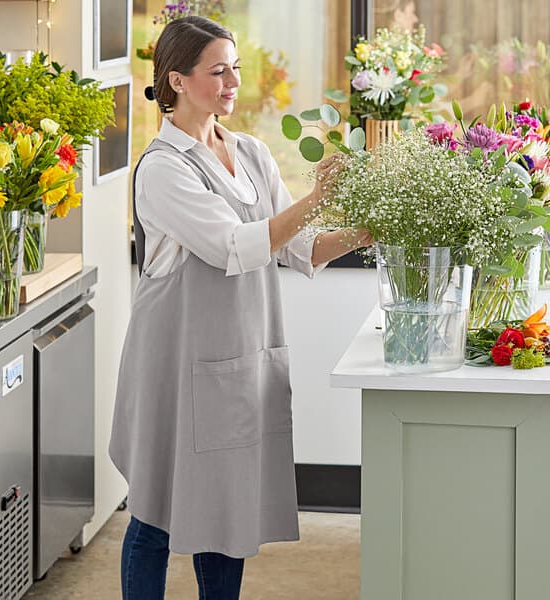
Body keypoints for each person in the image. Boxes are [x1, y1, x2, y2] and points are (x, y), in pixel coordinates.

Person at [109, 15, 373, 600]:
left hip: (240, 357)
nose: (233, 82)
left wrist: (363, 230)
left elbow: (298, 249)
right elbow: (233, 246)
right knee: (155, 513)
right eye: (218, 70)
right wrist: (315, 199)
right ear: (177, 80)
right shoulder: (162, 169)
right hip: (174, 368)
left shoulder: (250, 152)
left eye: (235, 68)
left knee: (226, 511)